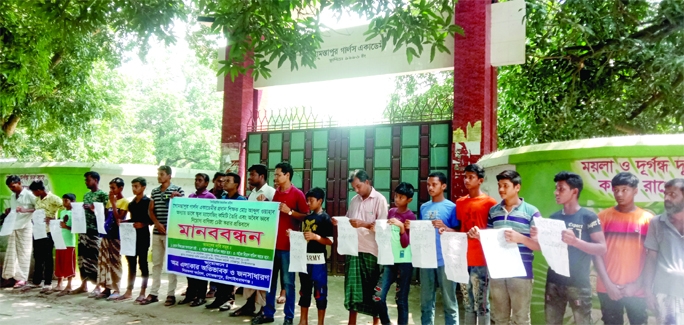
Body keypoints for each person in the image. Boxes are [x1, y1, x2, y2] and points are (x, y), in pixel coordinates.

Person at [468, 170, 541, 325]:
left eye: (505, 186)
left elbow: (539, 246)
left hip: (522, 273)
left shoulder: (532, 212)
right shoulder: (494, 212)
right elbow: (490, 239)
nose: (501, 190)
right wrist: (479, 235)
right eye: (499, 186)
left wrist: (520, 238)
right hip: (498, 272)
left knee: (520, 319)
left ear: (517, 187)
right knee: (499, 318)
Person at [543, 171, 606, 324]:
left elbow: (602, 248)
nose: (556, 192)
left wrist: (575, 242)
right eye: (556, 188)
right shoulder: (554, 218)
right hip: (553, 282)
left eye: (561, 189)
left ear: (574, 191)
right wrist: (536, 237)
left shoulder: (588, 217)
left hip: (578, 283)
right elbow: (546, 247)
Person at [252, 162, 309, 325]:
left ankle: (288, 318)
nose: (275, 177)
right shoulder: (276, 193)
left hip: (288, 247)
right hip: (272, 245)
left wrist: (290, 211)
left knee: (288, 284)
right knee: (270, 282)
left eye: (278, 175)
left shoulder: (297, 194)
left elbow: (306, 216)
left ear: (287, 175)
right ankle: (268, 314)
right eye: (275, 175)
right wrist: (266, 204)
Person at [594, 172, 652, 325]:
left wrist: (638, 285)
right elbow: (596, 254)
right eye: (616, 190)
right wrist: (608, 285)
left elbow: (652, 257)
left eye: (624, 190)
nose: (619, 194)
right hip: (607, 289)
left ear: (635, 191)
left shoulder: (647, 220)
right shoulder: (602, 217)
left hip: (637, 290)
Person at [332, 169, 387, 325]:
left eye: (359, 186)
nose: (356, 190)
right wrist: (340, 221)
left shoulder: (380, 200)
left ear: (367, 182)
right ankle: (352, 322)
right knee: (352, 290)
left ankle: (376, 322)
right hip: (353, 249)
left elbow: (383, 228)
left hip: (371, 251)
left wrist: (364, 224)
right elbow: (350, 221)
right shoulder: (354, 200)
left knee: (372, 290)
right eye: (354, 187)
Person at [408, 172, 459, 325]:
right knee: (426, 302)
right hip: (426, 260)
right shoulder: (424, 207)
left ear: (443, 186)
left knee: (449, 302)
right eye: (428, 184)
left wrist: (445, 227)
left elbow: (458, 234)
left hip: (445, 260)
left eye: (434, 184)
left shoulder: (452, 207)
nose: (430, 187)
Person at [232, 164, 275, 318]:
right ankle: (249, 306)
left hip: (265, 241)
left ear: (262, 176)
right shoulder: (251, 194)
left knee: (263, 276)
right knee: (249, 274)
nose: (250, 178)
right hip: (250, 240)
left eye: (253, 175)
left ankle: (264, 309)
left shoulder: (271, 192)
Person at [457, 164, 498, 325]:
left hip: (481, 259)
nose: (466, 180)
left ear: (480, 180)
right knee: (467, 304)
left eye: (471, 177)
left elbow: (494, 231)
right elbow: (459, 228)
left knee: (481, 304)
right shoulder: (460, 202)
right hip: (462, 259)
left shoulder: (490, 203)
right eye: (465, 176)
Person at [372, 182, 416, 325]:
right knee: (378, 296)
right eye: (396, 196)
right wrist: (378, 230)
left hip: (404, 263)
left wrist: (402, 227)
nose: (397, 199)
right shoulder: (391, 212)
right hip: (389, 260)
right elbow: (387, 235)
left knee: (401, 300)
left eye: (401, 197)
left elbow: (405, 243)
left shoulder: (411, 217)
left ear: (409, 200)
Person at [642, 178, 684, 325]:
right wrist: (648, 291)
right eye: (665, 194)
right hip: (665, 293)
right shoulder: (657, 222)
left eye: (672, 195)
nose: (667, 198)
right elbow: (651, 258)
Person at [144, 165, 185, 306]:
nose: (159, 176)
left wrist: (178, 199)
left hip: (171, 233)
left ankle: (171, 294)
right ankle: (154, 293)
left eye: (162, 174)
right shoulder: (154, 191)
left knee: (171, 264)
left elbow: (182, 210)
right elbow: (151, 210)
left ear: (169, 176)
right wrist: (157, 224)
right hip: (157, 232)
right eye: (158, 174)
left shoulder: (178, 190)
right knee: (156, 264)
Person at [206, 171, 246, 311]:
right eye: (224, 180)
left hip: (233, 241)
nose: (224, 183)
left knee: (230, 271)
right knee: (220, 270)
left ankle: (229, 299)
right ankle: (219, 298)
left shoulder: (241, 200)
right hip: (221, 239)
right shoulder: (221, 198)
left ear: (236, 184)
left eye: (228, 180)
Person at [295, 187, 333, 325]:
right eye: (307, 201)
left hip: (319, 261)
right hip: (304, 260)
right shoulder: (307, 218)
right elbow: (302, 237)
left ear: (320, 201)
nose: (308, 203)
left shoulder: (325, 218)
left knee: (320, 291)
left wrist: (316, 237)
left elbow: (330, 241)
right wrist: (294, 236)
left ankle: (320, 322)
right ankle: (303, 320)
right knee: (304, 290)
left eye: (311, 200)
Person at [179, 173, 216, 307]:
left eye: (200, 180)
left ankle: (201, 296)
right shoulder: (191, 197)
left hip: (203, 238)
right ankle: (190, 294)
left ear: (206, 183)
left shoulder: (210, 197)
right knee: (190, 268)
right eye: (196, 180)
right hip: (191, 238)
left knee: (201, 269)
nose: (197, 182)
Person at [72, 171, 107, 297]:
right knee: (82, 258)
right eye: (86, 180)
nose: (86, 182)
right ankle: (84, 284)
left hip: (95, 231)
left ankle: (98, 285)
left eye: (88, 180)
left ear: (96, 180)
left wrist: (93, 209)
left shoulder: (103, 195)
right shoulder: (86, 195)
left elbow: (106, 212)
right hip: (83, 230)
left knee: (94, 258)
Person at [97, 177, 130, 300]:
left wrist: (114, 203)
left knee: (115, 261)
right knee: (105, 262)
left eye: (113, 188)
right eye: (110, 188)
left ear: (120, 188)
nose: (111, 190)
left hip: (116, 236)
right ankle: (106, 287)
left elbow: (118, 219)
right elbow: (106, 217)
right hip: (106, 235)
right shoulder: (109, 201)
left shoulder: (124, 202)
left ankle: (116, 288)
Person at [1, 175, 36, 289]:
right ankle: (10, 277)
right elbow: (15, 209)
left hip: (25, 226)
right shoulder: (12, 196)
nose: (12, 189)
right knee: (11, 252)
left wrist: (25, 210)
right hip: (13, 226)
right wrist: (9, 211)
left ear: (19, 183)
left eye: (13, 186)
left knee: (24, 253)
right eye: (10, 187)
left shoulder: (29, 194)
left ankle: (22, 278)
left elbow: (39, 207)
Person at [122, 177, 153, 303]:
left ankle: (142, 291)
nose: (134, 189)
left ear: (143, 187)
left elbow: (152, 220)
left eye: (137, 186)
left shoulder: (148, 202)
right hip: (131, 237)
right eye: (133, 186)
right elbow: (133, 219)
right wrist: (125, 222)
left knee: (143, 263)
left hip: (143, 236)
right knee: (131, 264)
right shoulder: (131, 204)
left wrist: (144, 224)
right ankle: (129, 291)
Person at [30, 180, 63, 293]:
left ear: (39, 190)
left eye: (34, 191)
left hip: (49, 231)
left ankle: (48, 282)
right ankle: (37, 281)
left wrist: (55, 220)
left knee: (48, 257)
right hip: (37, 231)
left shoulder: (54, 198)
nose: (33, 194)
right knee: (37, 257)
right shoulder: (36, 199)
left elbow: (66, 209)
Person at [55, 193, 77, 296]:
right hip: (60, 240)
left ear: (72, 202)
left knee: (69, 263)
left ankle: (69, 284)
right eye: (63, 200)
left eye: (66, 201)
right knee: (59, 262)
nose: (64, 203)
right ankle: (60, 283)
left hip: (69, 242)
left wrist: (66, 227)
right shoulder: (62, 212)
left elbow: (77, 229)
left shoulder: (75, 213)